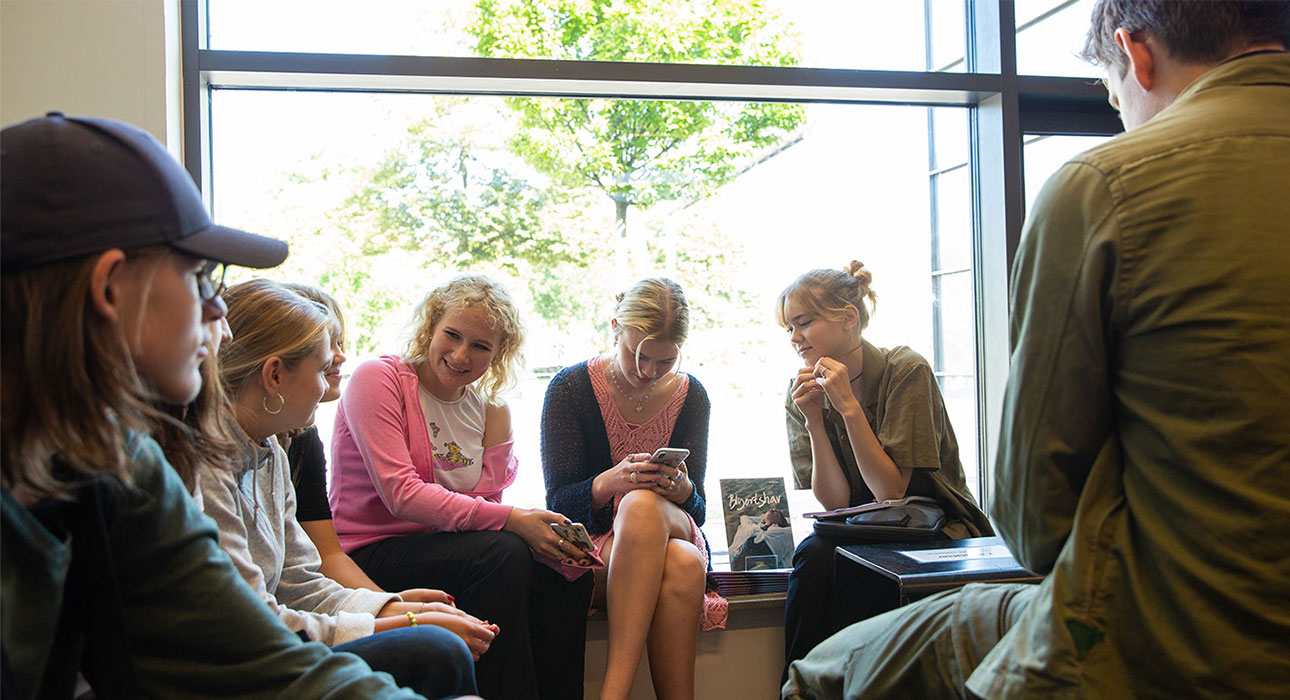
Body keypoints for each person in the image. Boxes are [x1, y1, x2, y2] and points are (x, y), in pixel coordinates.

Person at [784, 2, 1290, 697]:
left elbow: (1033, 521)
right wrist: (821, 414)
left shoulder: (1105, 187)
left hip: (1176, 634)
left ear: (1136, 52)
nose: (797, 336)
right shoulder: (804, 389)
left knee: (825, 675)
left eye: (1116, 98)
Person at [0, 112, 420, 698]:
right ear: (110, 289)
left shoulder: (121, 459)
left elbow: (258, 657)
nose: (220, 315)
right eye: (202, 278)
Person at [198, 278, 482, 699]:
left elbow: (299, 578)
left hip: (272, 644)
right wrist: (405, 623)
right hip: (236, 668)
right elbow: (252, 627)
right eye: (320, 368)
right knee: (434, 647)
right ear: (274, 375)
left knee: (438, 642)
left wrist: (389, 605)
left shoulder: (271, 450)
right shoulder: (205, 468)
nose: (329, 379)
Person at [330, 274, 595, 700]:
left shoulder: (491, 409)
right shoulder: (378, 380)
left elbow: (484, 509)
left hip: (453, 549)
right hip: (371, 551)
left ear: (499, 353)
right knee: (503, 553)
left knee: (565, 575)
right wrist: (515, 522)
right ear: (429, 327)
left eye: (480, 346)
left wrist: (542, 536)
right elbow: (402, 494)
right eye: (451, 335)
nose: (460, 354)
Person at [778, 261, 992, 671]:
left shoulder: (904, 370)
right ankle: (800, 688)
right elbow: (834, 501)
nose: (795, 338)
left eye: (803, 323)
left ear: (848, 318)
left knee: (865, 574)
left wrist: (848, 407)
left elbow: (892, 493)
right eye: (788, 327)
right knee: (814, 557)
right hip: (861, 532)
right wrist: (816, 422)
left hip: (936, 529)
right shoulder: (801, 392)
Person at [542, 277, 725, 700]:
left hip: (673, 523)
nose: (649, 372)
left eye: (665, 361)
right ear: (614, 328)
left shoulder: (692, 394)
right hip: (600, 545)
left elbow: (697, 510)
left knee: (643, 506)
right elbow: (558, 504)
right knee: (680, 562)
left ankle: (614, 693)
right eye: (638, 355)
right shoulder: (570, 388)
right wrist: (607, 483)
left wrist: (681, 489)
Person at [280, 283, 463, 608]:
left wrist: (389, 607)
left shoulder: (304, 440)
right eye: (326, 345)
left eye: (340, 342)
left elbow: (324, 556)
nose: (341, 356)